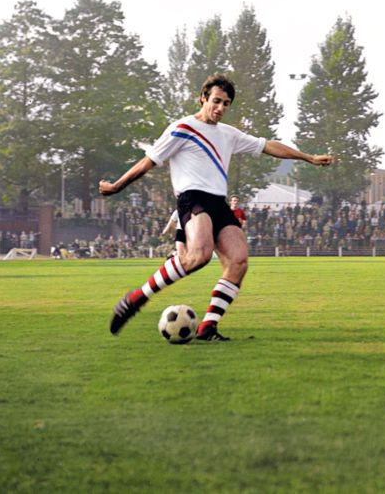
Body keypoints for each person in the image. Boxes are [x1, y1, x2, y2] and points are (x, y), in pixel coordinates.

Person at [99, 74, 334, 340]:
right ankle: (135, 299)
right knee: (199, 255)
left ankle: (208, 326)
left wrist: (308, 157)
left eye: (226, 103)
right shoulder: (182, 128)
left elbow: (268, 146)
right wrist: (117, 186)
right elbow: (149, 161)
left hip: (218, 202)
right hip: (192, 198)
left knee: (239, 261)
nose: (220, 108)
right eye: (216, 101)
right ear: (203, 98)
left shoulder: (228, 134)